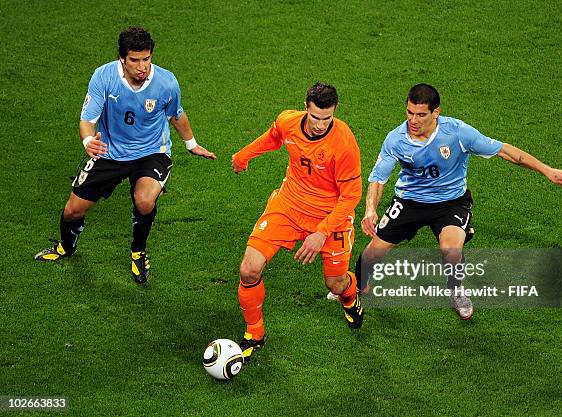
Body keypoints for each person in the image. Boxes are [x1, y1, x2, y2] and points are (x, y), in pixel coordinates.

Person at [355, 83, 562, 320]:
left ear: (435, 113)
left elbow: (505, 151)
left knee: (451, 250)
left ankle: (456, 289)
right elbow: (378, 178)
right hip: (410, 202)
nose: (413, 120)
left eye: (421, 114)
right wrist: (370, 210)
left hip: (451, 203)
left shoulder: (458, 133)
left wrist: (546, 170)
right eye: (410, 113)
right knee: (371, 255)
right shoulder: (396, 139)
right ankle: (356, 286)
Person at [34, 27, 216, 284]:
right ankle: (66, 247)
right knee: (72, 211)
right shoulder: (103, 77)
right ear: (122, 58)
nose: (142, 67)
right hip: (110, 152)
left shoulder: (166, 82)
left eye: (147, 59)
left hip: (152, 152)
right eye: (135, 60)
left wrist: (191, 144)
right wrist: (88, 140)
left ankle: (138, 252)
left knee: (144, 201)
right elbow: (87, 119)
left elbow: (176, 114)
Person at [231, 82, 363, 362]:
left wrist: (321, 232)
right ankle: (255, 334)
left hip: (330, 216)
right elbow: (273, 137)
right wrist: (244, 155)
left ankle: (350, 297)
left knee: (335, 284)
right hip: (288, 205)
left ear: (334, 112)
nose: (319, 125)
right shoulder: (288, 121)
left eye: (327, 118)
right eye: (315, 117)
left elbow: (351, 197)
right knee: (249, 270)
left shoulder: (344, 143)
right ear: (306, 107)